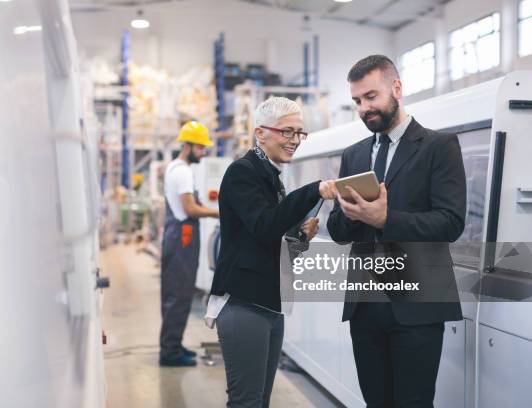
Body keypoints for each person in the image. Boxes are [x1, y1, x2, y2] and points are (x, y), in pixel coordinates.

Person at [327, 55, 466, 407]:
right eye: (357, 101)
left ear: (397, 89)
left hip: (417, 307)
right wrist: (349, 212)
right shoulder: (353, 155)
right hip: (365, 306)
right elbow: (338, 231)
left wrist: (385, 220)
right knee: (376, 401)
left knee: (414, 402)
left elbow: (450, 222)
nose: (364, 108)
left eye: (371, 97)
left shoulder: (439, 147)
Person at [206, 97, 336, 407]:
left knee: (260, 400)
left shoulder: (271, 177)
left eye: (299, 133)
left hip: (269, 304)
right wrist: (314, 190)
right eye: (287, 132)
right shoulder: (243, 173)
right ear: (260, 133)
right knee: (247, 401)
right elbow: (265, 226)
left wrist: (300, 237)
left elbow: (271, 241)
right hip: (243, 304)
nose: (294, 141)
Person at [159, 121, 219, 367]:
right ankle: (170, 352)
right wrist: (219, 213)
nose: (204, 152)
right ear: (188, 145)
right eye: (201, 147)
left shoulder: (175, 167)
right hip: (182, 235)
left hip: (179, 235)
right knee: (179, 294)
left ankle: (173, 344)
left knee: (177, 293)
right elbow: (190, 208)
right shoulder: (182, 172)